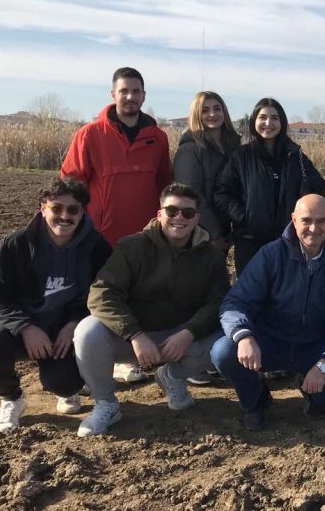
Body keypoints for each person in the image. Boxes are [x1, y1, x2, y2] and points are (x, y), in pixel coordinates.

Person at [73, 184, 229, 437]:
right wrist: (134, 334)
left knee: (227, 338)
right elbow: (102, 294)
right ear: (159, 214)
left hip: (180, 339)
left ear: (197, 218)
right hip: (134, 339)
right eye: (172, 211)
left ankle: (172, 376)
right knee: (87, 331)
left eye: (188, 213)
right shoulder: (132, 247)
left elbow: (218, 301)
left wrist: (188, 333)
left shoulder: (211, 255)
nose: (179, 217)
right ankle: (106, 403)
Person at [212, 195, 325, 430]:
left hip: (317, 345)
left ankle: (316, 397)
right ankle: (255, 400)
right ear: (294, 220)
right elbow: (236, 302)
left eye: (321, 221)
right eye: (306, 220)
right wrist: (244, 336)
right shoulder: (271, 255)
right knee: (224, 351)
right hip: (271, 341)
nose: (314, 229)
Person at [0, 178, 111, 433]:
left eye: (72, 210)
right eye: (56, 208)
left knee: (64, 383)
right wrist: (25, 327)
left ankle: (68, 390)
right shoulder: (15, 245)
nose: (64, 216)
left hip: (64, 332)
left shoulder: (96, 247)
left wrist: (75, 323)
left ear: (82, 212)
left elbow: (105, 294)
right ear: (43, 208)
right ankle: (12, 397)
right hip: (23, 325)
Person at [214, 97, 325, 275]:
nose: (268, 123)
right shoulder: (241, 157)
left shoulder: (295, 156)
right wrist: (244, 217)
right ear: (254, 121)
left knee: (286, 287)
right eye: (263, 117)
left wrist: (304, 219)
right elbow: (222, 193)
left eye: (274, 118)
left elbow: (319, 188)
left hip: (289, 240)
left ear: (282, 122)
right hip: (250, 242)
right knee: (252, 288)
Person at [61, 66, 172, 246]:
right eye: (123, 91)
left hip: (146, 236)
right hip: (100, 237)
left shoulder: (159, 138)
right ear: (113, 94)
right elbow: (71, 183)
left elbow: (164, 183)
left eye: (136, 91)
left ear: (143, 95)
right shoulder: (89, 134)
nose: (130, 97)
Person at [172, 90, 243, 248]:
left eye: (217, 109)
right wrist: (213, 233)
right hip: (200, 234)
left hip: (225, 231)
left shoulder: (233, 148)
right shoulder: (189, 150)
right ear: (197, 115)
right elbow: (190, 194)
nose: (212, 114)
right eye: (205, 110)